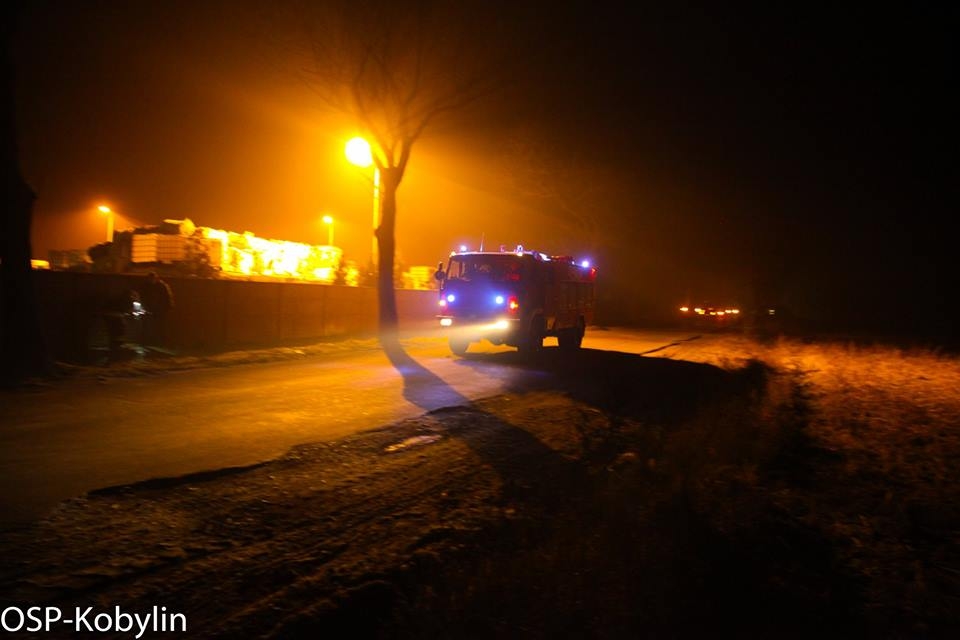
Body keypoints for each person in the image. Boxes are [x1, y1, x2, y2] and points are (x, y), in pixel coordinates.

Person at [141, 271, 174, 349]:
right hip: (154, 309)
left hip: (159, 310)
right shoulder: (157, 286)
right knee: (155, 326)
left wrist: (167, 307)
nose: (151, 280)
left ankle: (160, 342)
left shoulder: (160, 286)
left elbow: (167, 298)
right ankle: (156, 341)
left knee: (160, 327)